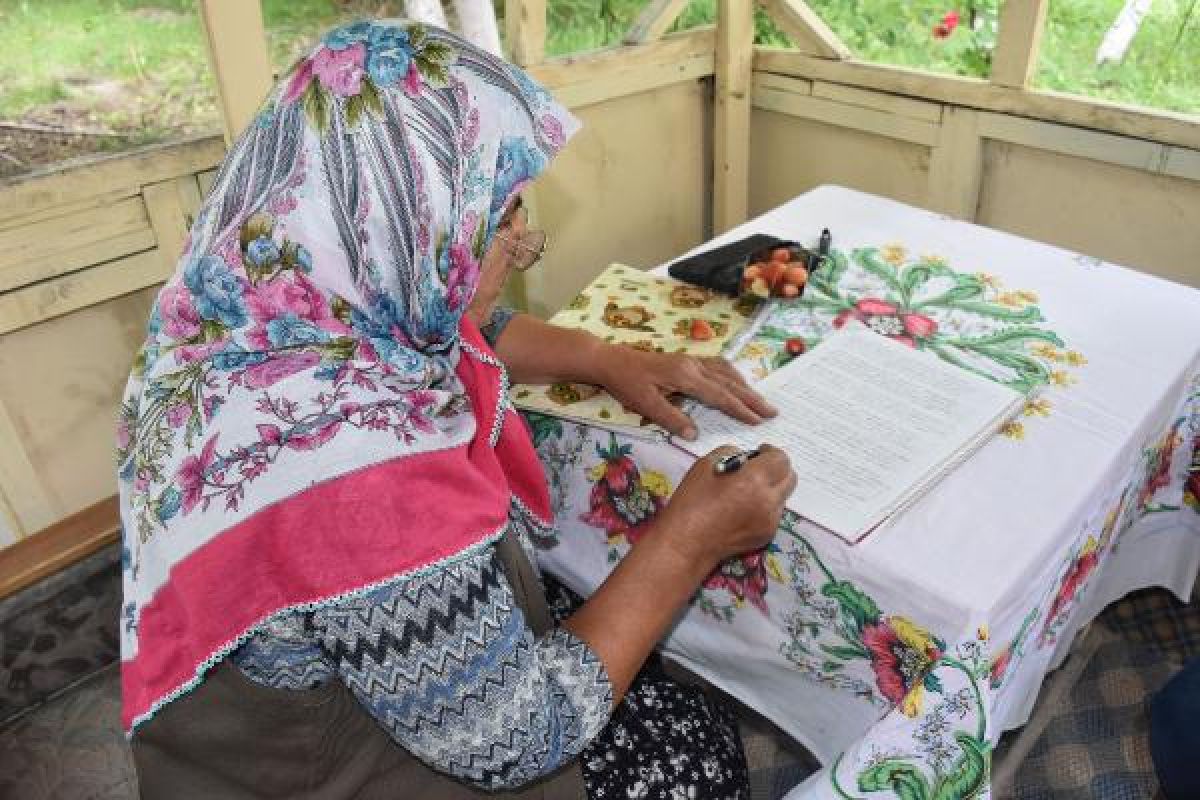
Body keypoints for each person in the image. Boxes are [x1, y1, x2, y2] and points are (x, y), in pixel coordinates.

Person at [116, 19, 795, 799]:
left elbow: (469, 328)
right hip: (321, 768)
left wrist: (610, 358)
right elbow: (519, 739)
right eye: (499, 221)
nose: (518, 242)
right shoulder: (359, 475)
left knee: (609, 627)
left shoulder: (247, 301)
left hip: (280, 689)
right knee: (696, 747)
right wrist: (690, 540)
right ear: (407, 223)